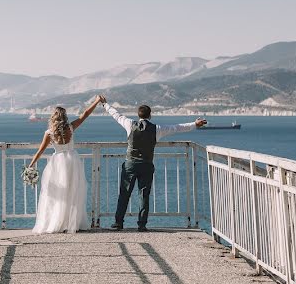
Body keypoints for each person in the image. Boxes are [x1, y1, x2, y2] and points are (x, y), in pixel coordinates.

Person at [99, 95, 206, 231]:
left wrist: (105, 104)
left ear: (138, 115)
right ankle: (142, 225)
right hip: (146, 165)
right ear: (150, 116)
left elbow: (116, 115)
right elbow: (177, 127)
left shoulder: (129, 124)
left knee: (124, 193)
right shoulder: (157, 129)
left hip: (130, 164)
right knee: (144, 195)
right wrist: (194, 124)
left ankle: (118, 223)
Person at [28, 95, 104, 233]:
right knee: (73, 192)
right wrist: (97, 101)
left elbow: (40, 151)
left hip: (57, 163)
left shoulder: (49, 133)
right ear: (65, 117)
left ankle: (57, 222)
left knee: (57, 194)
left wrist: (31, 165)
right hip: (72, 160)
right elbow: (85, 114)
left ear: (53, 117)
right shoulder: (70, 127)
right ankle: (71, 222)